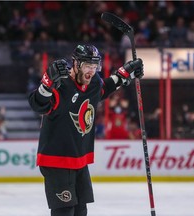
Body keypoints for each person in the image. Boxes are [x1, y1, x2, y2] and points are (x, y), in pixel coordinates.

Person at [28, 44, 144, 216]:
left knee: (80, 211)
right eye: (86, 66)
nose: (91, 71)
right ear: (75, 64)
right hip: (57, 159)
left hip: (79, 159)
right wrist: (46, 84)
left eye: (94, 66)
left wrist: (124, 74)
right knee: (65, 211)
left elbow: (103, 89)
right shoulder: (61, 84)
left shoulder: (94, 81)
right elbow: (38, 104)